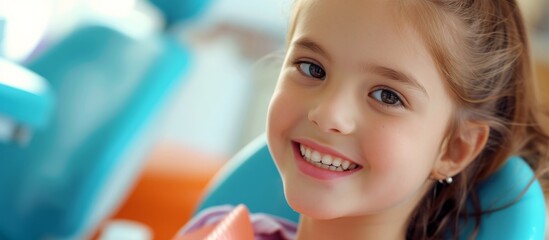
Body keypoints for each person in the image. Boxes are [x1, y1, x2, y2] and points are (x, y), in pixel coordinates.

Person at [180, 0, 549, 239]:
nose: (326, 114)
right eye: (311, 68)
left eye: (387, 95)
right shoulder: (219, 231)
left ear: (454, 148)